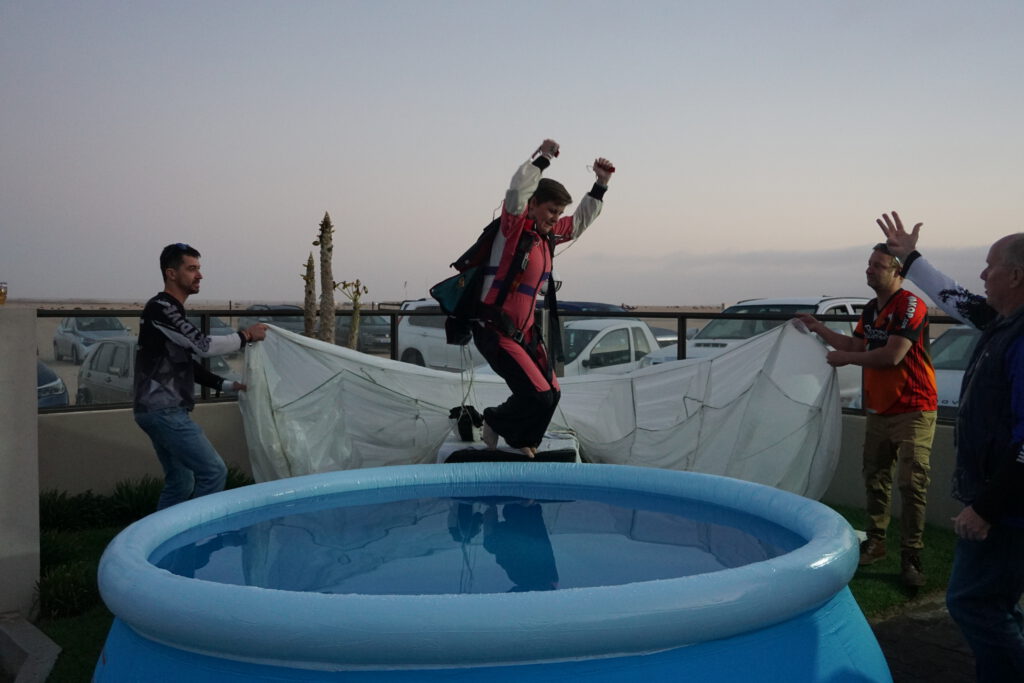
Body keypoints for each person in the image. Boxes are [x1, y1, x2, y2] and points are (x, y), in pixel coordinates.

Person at [879, 212, 1024, 681]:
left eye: (990, 266)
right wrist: (912, 258)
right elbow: (958, 300)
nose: (982, 276)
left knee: (972, 603)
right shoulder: (1006, 324)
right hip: (1002, 504)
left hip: (1006, 509)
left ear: (1016, 275)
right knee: (993, 604)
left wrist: (985, 507)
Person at [795, 242, 937, 587]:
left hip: (914, 408)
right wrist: (818, 328)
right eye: (869, 263)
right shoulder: (873, 309)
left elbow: (892, 356)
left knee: (910, 482)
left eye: (878, 265)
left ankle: (911, 556)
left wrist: (847, 360)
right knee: (875, 477)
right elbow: (856, 346)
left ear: (897, 272)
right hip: (879, 407)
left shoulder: (910, 306)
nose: (869, 269)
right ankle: (876, 543)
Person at [473, 139, 614, 458]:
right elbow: (516, 191)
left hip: (525, 333)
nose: (555, 217)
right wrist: (544, 158)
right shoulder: (514, 228)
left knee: (552, 393)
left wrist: (601, 184)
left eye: (558, 212)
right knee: (536, 395)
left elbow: (578, 224)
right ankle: (498, 422)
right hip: (495, 329)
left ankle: (523, 441)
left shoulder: (546, 236)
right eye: (551, 210)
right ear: (533, 205)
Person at [134, 242, 268, 510]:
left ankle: (160, 544)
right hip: (164, 410)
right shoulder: (162, 308)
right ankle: (196, 539)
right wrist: (246, 335)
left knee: (180, 482)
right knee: (213, 471)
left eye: (199, 268)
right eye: (192, 268)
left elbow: (186, 364)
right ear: (171, 273)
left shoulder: (168, 310)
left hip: (157, 410)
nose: (200, 275)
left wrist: (228, 384)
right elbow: (203, 346)